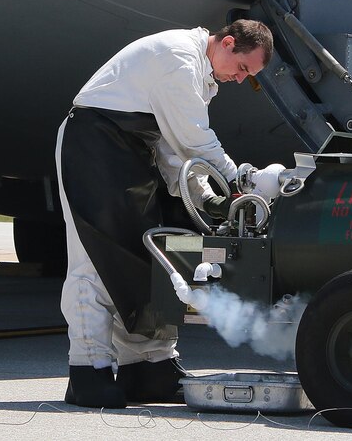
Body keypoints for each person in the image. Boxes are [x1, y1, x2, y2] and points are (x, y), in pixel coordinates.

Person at [56, 20, 274, 408]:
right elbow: (194, 140)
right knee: (95, 260)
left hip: (132, 151)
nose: (240, 80)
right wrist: (236, 179)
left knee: (151, 259)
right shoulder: (179, 60)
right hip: (94, 145)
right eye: (243, 69)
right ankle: (87, 371)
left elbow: (176, 153)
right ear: (227, 43)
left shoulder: (200, 75)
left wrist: (207, 199)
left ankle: (149, 368)